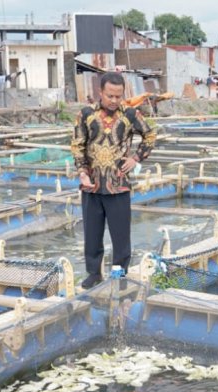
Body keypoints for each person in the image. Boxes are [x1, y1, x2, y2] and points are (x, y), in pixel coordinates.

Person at [70, 72, 157, 288]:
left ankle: (121, 273)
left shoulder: (130, 114)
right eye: (110, 96)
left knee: (120, 234)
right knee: (92, 232)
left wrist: (136, 158)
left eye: (118, 96)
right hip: (91, 184)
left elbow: (150, 135)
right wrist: (82, 171)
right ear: (101, 92)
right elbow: (77, 144)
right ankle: (93, 273)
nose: (114, 100)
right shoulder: (86, 114)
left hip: (118, 184)